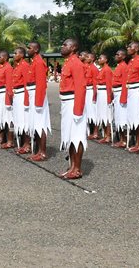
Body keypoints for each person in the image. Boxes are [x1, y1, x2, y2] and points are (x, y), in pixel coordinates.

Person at [59, 39, 87, 179]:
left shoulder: (76, 63)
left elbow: (81, 87)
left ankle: (77, 169)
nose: (62, 46)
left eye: (66, 45)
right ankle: (71, 167)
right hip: (66, 102)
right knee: (69, 136)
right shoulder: (68, 62)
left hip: (73, 103)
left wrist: (78, 111)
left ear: (73, 48)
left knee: (77, 136)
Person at [27, 41, 51, 161]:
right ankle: (38, 151)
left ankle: (42, 152)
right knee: (36, 123)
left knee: (41, 124)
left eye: (29, 48)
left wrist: (39, 102)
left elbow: (41, 84)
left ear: (36, 50)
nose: (28, 50)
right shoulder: (34, 61)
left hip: (38, 96)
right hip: (33, 94)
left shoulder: (39, 62)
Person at [111, 50, 129, 148]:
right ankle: (121, 139)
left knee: (122, 117)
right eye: (116, 54)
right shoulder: (119, 66)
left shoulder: (124, 67)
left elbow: (125, 83)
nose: (116, 56)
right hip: (116, 92)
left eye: (118, 54)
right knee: (117, 116)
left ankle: (124, 140)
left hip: (121, 92)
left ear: (123, 57)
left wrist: (123, 97)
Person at [94, 54, 113, 144]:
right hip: (100, 93)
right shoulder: (102, 69)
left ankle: (108, 136)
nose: (99, 59)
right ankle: (105, 135)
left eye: (101, 58)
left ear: (106, 60)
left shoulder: (107, 70)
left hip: (104, 93)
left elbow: (109, 84)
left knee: (106, 115)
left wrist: (109, 98)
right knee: (102, 114)